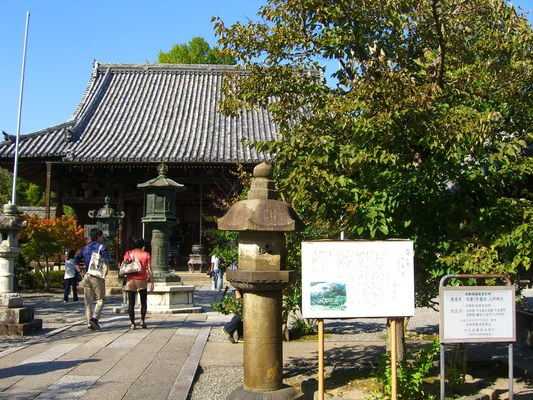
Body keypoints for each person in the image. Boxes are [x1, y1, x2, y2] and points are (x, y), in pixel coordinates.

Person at [75, 227, 109, 330]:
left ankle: (89, 323)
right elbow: (106, 261)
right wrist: (104, 274)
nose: (102, 238)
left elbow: (75, 260)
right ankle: (94, 319)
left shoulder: (85, 248)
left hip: (87, 275)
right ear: (98, 237)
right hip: (97, 275)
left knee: (88, 302)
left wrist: (80, 272)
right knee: (100, 299)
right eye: (101, 236)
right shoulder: (101, 248)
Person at [124, 236, 154, 330]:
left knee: (131, 303)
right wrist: (152, 282)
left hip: (130, 279)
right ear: (142, 244)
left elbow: (125, 265)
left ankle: (132, 323)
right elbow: (149, 269)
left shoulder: (128, 253)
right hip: (142, 279)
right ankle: (142, 320)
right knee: (143, 301)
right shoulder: (146, 254)